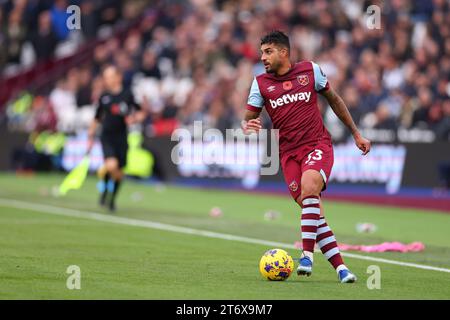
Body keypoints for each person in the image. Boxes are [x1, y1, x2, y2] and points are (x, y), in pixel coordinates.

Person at [242, 31, 371, 283]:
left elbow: (335, 100)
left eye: (268, 51)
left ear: (284, 52)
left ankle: (306, 255)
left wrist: (356, 133)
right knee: (315, 214)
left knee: (310, 186)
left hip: (317, 145)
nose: (263, 57)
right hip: (289, 156)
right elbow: (247, 119)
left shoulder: (311, 71)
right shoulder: (260, 83)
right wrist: (248, 125)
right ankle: (342, 269)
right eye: (262, 53)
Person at [87, 65, 146, 212]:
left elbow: (140, 113)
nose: (107, 80)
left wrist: (134, 119)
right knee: (111, 165)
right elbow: (97, 118)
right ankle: (105, 191)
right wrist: (90, 137)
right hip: (107, 136)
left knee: (119, 172)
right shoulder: (104, 96)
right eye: (106, 77)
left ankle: (111, 198)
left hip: (122, 137)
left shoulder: (128, 95)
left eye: (110, 76)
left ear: (118, 77)